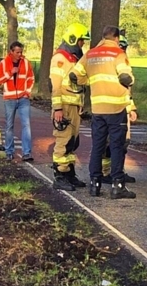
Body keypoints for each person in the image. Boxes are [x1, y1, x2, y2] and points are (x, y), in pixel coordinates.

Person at [71, 26, 135, 199]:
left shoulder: (90, 54)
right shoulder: (118, 54)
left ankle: (95, 185)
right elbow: (125, 77)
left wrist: (88, 80)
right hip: (116, 108)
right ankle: (117, 186)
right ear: (116, 38)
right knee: (116, 147)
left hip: (98, 109)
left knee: (97, 147)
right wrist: (129, 83)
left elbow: (74, 76)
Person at [50, 24, 90, 190]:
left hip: (74, 106)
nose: (82, 44)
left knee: (73, 142)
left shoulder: (73, 59)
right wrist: (58, 108)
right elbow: (56, 86)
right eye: (81, 41)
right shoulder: (60, 58)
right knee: (63, 140)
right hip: (65, 107)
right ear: (73, 39)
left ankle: (69, 174)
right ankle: (59, 176)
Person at [103, 32, 137, 184]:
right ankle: (106, 172)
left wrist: (132, 108)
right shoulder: (109, 65)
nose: (123, 50)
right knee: (109, 144)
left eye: (124, 47)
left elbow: (128, 91)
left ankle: (119, 171)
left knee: (123, 143)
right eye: (121, 47)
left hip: (124, 109)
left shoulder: (125, 64)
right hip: (111, 110)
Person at [0, 41, 35, 162]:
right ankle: (9, 151)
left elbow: (31, 78)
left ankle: (26, 153)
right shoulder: (3, 63)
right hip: (9, 99)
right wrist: (9, 73)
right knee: (9, 126)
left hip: (23, 99)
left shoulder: (26, 63)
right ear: (11, 52)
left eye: (21, 52)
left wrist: (27, 92)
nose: (19, 54)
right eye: (17, 52)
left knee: (26, 125)